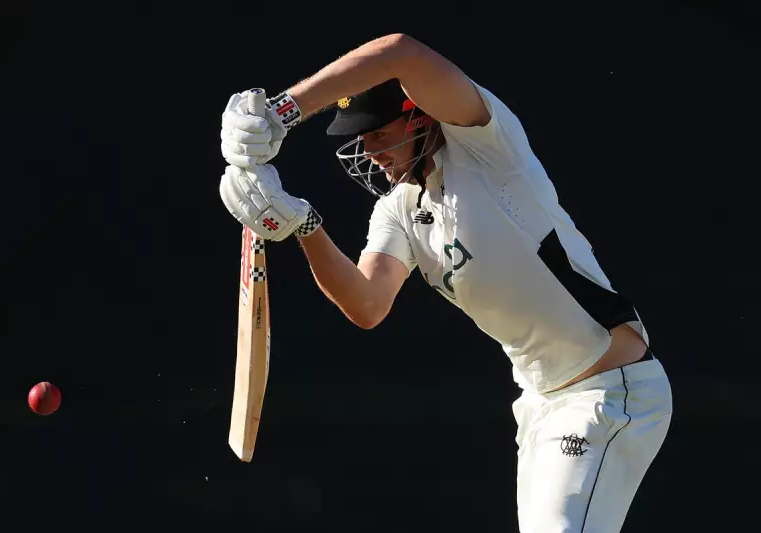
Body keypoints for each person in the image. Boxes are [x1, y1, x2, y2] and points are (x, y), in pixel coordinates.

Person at [218, 33, 673, 533]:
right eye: (360, 139)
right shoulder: (399, 210)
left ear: (418, 115)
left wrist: (284, 110)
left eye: (377, 133)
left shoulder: (487, 148)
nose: (369, 152)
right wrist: (302, 226)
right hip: (540, 406)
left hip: (609, 393)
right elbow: (367, 303)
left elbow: (400, 52)